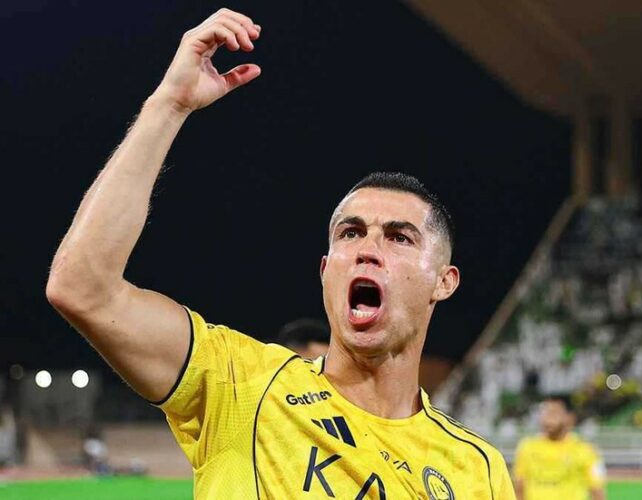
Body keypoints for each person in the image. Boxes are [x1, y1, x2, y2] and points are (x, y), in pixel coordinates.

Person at [45, 9, 515, 499]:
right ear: (325, 270)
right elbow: (81, 288)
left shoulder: (476, 470)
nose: (367, 251)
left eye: (399, 238)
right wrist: (168, 105)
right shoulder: (241, 385)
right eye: (350, 233)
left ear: (444, 281)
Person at [513, 395, 606, 500]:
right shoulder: (527, 447)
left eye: (554, 413)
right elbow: (519, 486)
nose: (548, 419)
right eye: (545, 413)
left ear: (570, 418)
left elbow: (597, 490)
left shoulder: (586, 450)